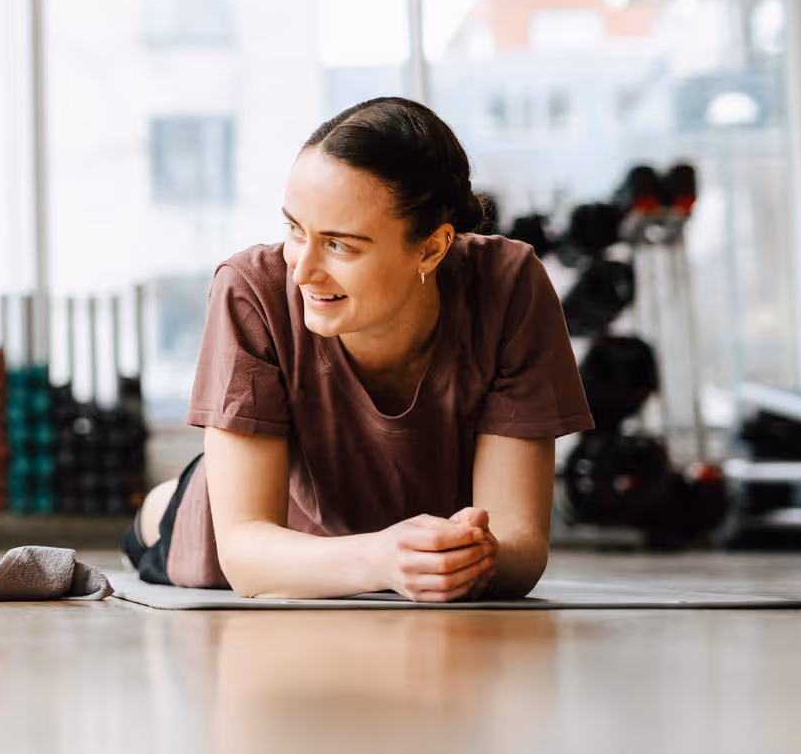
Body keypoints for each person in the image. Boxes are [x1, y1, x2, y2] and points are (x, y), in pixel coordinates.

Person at [124, 98, 592, 602]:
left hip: (403, 551)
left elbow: (519, 545)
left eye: (341, 245)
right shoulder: (252, 288)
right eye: (294, 230)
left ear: (432, 248)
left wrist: (468, 558)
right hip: (275, 551)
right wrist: (381, 559)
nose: (301, 271)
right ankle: (162, 503)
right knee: (171, 506)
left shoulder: (510, 285)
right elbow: (243, 555)